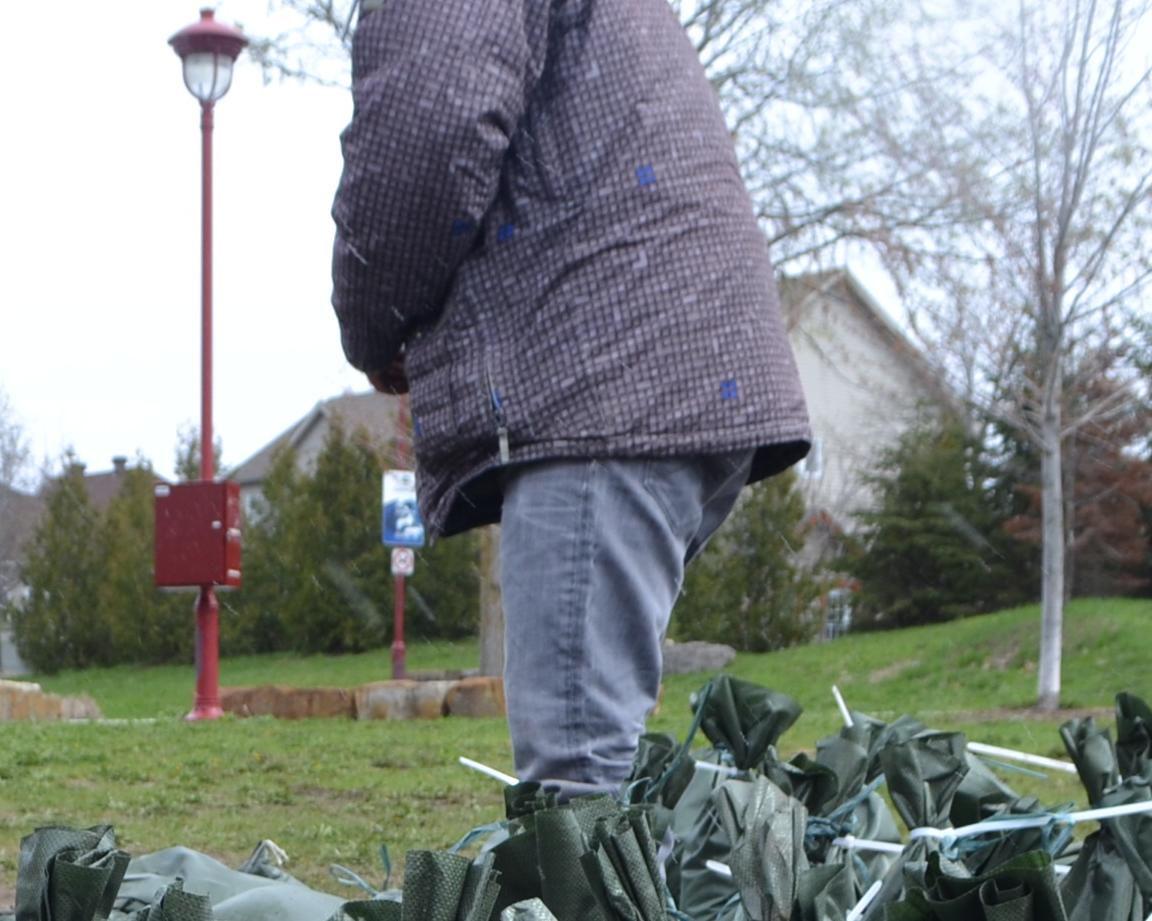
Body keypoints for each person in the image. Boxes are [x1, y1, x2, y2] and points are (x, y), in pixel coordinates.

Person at [330, 0, 810, 792]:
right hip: (665, 361)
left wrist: (373, 320)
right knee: (606, 762)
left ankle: (616, 914)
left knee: (581, 784)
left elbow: (427, 133)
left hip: (605, 373)